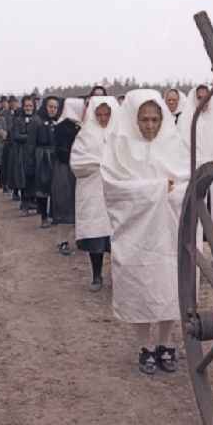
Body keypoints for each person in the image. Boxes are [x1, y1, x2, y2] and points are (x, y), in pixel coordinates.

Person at [101, 90, 189, 374]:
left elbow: (189, 182)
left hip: (170, 233)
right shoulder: (119, 148)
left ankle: (165, 342)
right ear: (133, 120)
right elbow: (113, 189)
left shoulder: (174, 146)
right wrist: (157, 188)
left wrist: (172, 191)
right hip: (136, 236)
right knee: (140, 286)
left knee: (169, 286)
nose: (150, 126)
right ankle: (144, 346)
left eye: (155, 119)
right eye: (144, 120)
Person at [70, 95, 119, 289]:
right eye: (99, 114)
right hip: (93, 190)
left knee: (118, 235)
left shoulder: (121, 133)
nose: (103, 118)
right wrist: (101, 163)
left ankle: (119, 275)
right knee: (96, 235)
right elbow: (77, 163)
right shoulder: (85, 134)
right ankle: (96, 275)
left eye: (107, 114)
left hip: (116, 190)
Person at [50, 98, 81, 252]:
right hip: (66, 169)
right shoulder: (63, 127)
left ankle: (78, 238)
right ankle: (62, 239)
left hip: (75, 169)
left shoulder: (79, 125)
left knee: (77, 204)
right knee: (66, 204)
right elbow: (61, 151)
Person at [177, 83, 213, 165]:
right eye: (199, 98)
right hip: (190, 168)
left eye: (207, 98)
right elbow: (180, 148)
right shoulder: (184, 120)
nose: (203, 101)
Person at [32, 96, 61, 228]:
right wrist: (31, 161)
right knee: (42, 188)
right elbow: (31, 143)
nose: (52, 110)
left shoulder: (60, 121)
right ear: (45, 106)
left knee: (56, 187)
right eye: (50, 106)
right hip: (42, 156)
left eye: (55, 107)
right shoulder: (37, 120)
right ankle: (43, 217)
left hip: (56, 156)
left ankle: (54, 215)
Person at [9, 96, 37, 213]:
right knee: (24, 178)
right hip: (22, 153)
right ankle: (24, 203)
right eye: (26, 106)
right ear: (23, 106)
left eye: (30, 106)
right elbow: (15, 136)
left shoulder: (37, 119)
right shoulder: (18, 120)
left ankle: (33, 202)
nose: (28, 108)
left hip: (35, 153)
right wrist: (30, 137)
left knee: (33, 178)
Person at [0, 95, 19, 196]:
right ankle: (5, 185)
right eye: (11, 102)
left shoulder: (20, 113)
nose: (13, 104)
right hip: (7, 142)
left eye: (14, 102)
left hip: (18, 143)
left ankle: (15, 188)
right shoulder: (4, 114)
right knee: (6, 165)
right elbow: (3, 127)